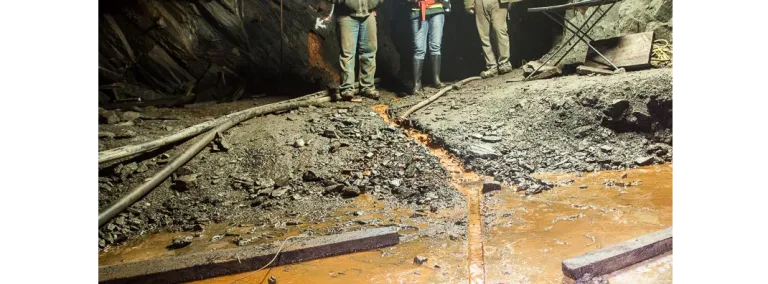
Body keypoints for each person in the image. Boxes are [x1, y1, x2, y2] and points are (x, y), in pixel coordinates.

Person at [327, 0, 384, 101]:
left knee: (369, 52)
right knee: (347, 53)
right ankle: (347, 89)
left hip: (368, 14)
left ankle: (367, 87)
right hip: (346, 15)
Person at [465, 0, 517, 78]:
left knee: (500, 30)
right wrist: (468, 4)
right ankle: (492, 67)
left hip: (498, 2)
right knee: (484, 35)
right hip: (479, 2)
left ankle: (504, 64)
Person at [408, 0, 451, 95]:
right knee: (419, 49)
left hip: (436, 8)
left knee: (435, 45)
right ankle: (417, 84)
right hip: (417, 10)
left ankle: (436, 80)